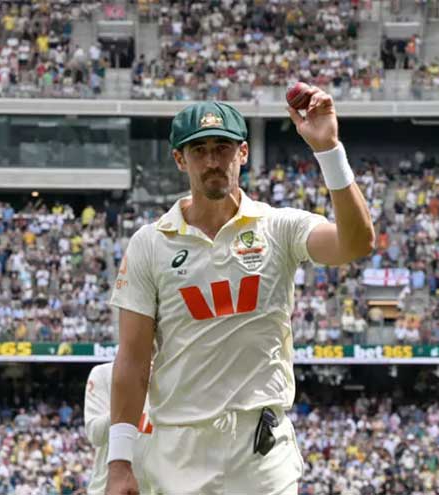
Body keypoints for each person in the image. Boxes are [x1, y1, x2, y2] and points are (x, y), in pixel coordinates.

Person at [106, 92, 376, 494]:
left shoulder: (278, 227)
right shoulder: (150, 243)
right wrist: (119, 462)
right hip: (179, 447)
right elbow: (132, 359)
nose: (213, 161)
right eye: (199, 150)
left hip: (261, 450)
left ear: (243, 152)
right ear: (180, 159)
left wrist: (329, 151)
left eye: (223, 148)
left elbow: (356, 244)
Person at [85, 361, 151, 495]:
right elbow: (95, 434)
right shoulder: (103, 373)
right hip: (109, 489)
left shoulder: (170, 375)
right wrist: (131, 399)